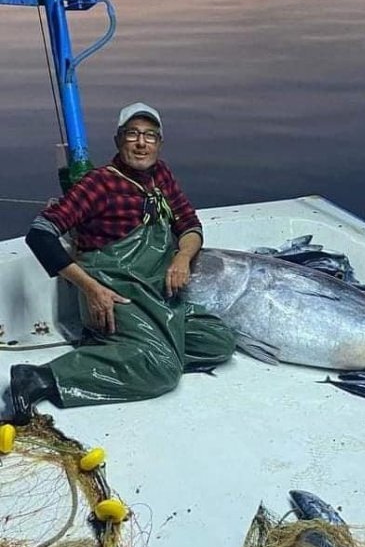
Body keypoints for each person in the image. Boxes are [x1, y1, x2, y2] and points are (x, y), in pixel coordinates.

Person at [7, 103, 236, 424]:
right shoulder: (98, 184)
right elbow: (41, 234)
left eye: (150, 136)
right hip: (114, 297)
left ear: (159, 143)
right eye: (133, 135)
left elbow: (190, 225)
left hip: (156, 293)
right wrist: (90, 289)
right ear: (118, 141)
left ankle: (118, 348)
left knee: (219, 340)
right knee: (163, 371)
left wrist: (183, 257)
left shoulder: (162, 175)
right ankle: (40, 377)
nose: (142, 143)